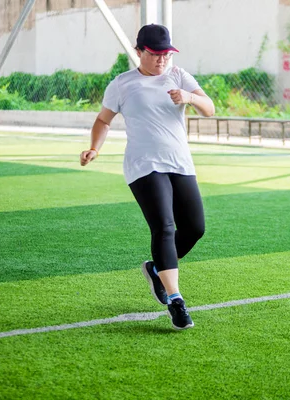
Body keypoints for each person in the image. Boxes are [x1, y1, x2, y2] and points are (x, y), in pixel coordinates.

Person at [79, 24, 215, 330]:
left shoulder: (179, 76)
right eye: (155, 54)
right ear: (139, 51)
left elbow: (210, 108)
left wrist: (189, 98)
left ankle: (156, 269)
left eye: (166, 54)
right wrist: (94, 148)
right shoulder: (123, 84)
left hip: (180, 163)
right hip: (143, 165)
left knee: (194, 228)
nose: (162, 60)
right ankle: (176, 300)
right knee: (164, 227)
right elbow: (103, 120)